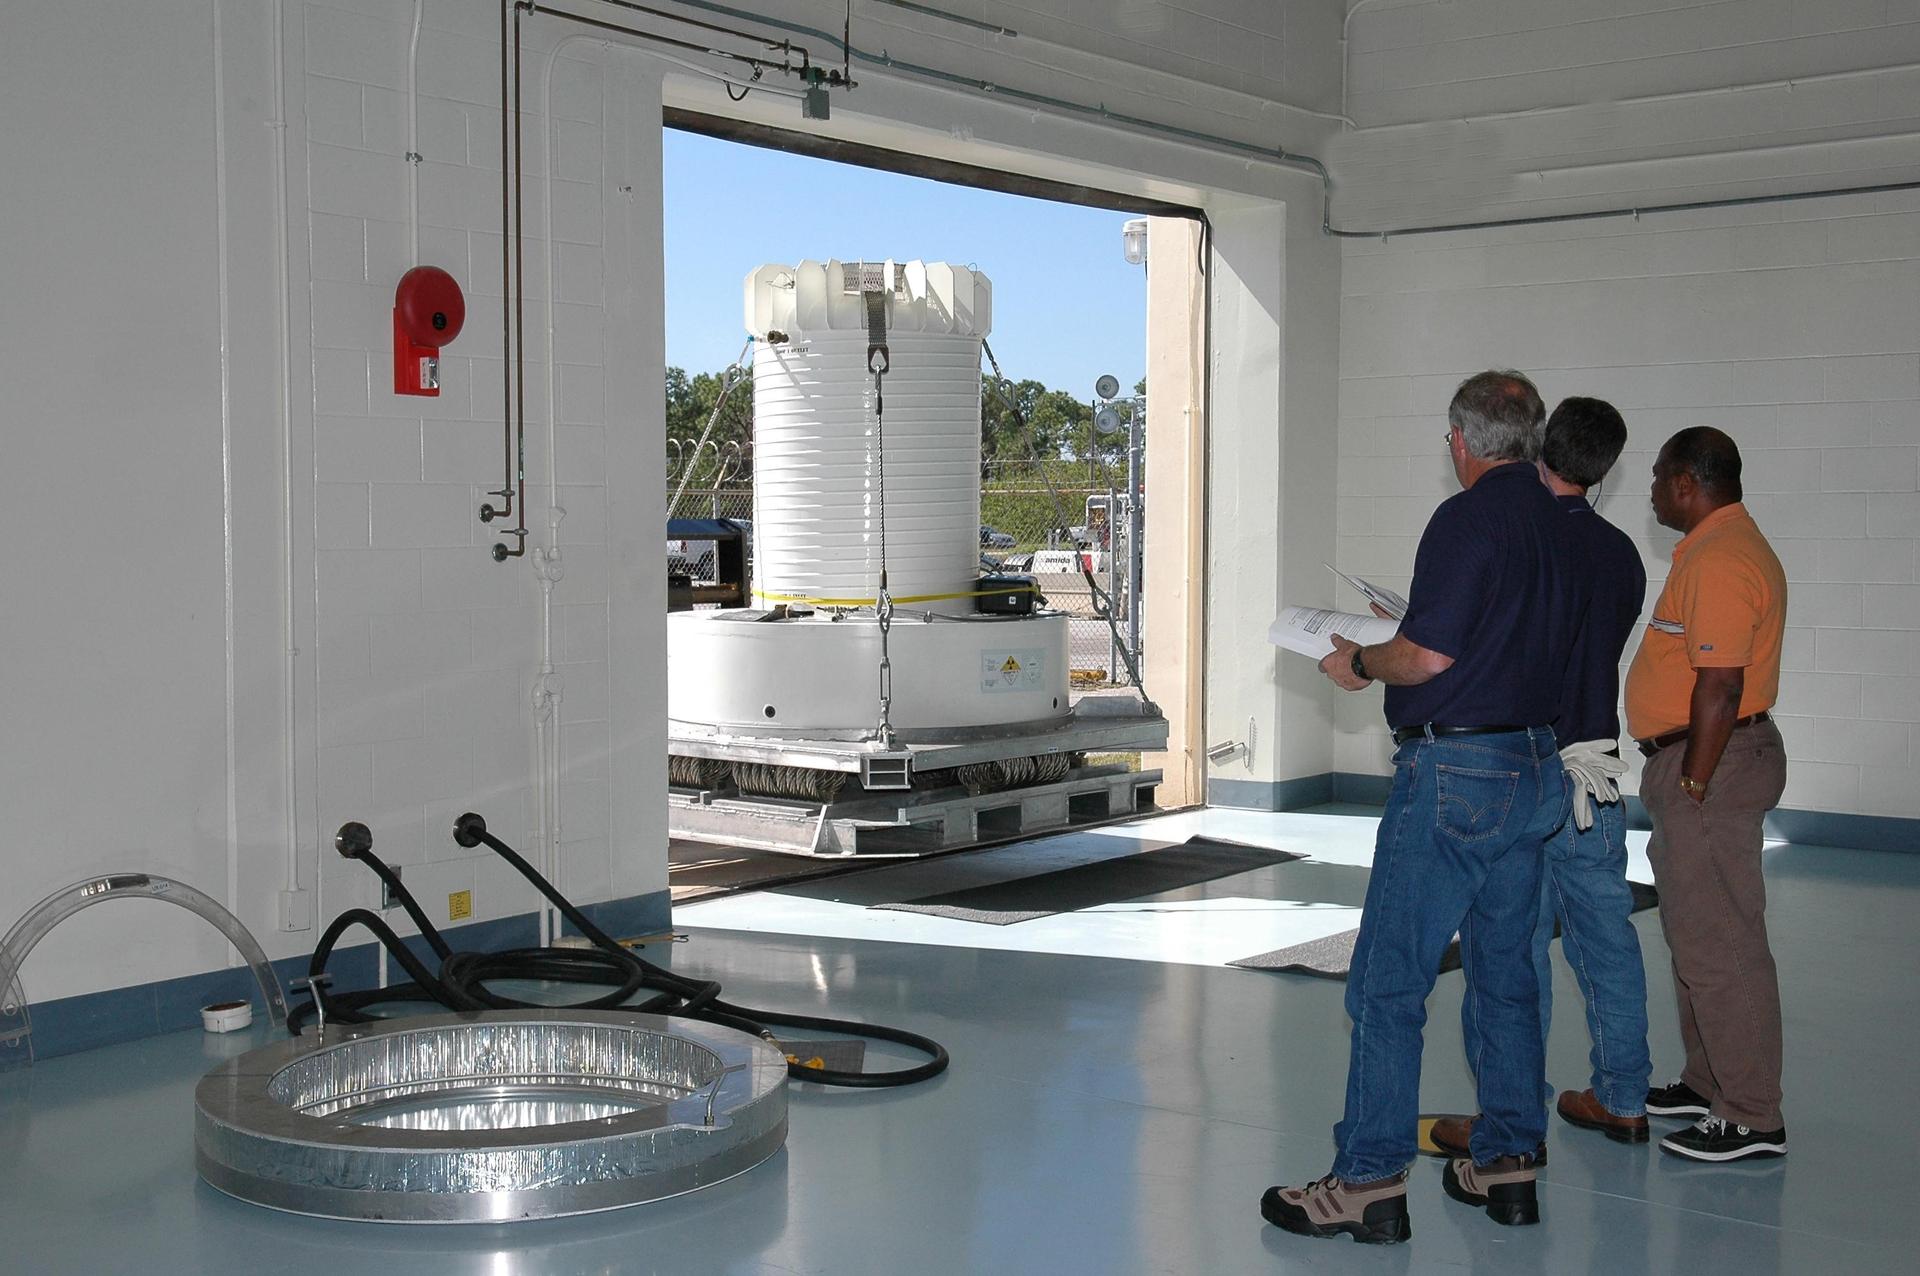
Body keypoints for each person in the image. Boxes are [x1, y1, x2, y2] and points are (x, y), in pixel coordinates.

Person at [1261, 371, 1587, 1245]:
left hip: (1457, 774)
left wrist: (1362, 660)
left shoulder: (1466, 519)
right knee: (1507, 975)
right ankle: (1509, 1163)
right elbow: (1507, 636)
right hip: (1534, 766)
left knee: (1389, 981)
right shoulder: (1564, 524)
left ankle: (1367, 1182)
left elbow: (1428, 660)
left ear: (1461, 441)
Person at [1430, 397, 1653, 1162]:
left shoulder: (1513, 538)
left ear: (1538, 447)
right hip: (1595, 775)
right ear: (1606, 469)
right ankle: (1624, 1099)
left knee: (1508, 948)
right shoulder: (1622, 554)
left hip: (1519, 771)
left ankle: (1510, 1119)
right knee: (1607, 940)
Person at [1624, 426, 1789, 1161]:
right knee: (1697, 936)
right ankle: (1707, 1082)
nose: (1653, 492)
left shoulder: (1720, 559)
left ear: (1687, 482)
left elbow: (1720, 686)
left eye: (1658, 478)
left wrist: (1694, 781)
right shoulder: (1712, 548)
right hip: (1702, 762)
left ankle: (1751, 1114)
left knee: (1721, 942)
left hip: (1710, 765)